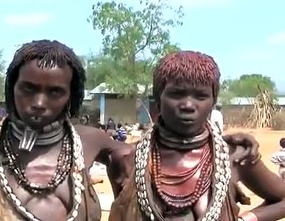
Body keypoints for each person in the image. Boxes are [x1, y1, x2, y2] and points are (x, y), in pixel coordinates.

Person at [0, 41, 260, 221]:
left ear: (73, 96)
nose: (39, 102)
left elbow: (156, 154)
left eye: (55, 92)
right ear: (12, 88)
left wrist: (212, 140)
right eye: (28, 88)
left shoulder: (92, 141)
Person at [108, 51, 285, 221]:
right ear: (158, 98)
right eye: (177, 94)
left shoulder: (234, 156)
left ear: (213, 102)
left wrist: (245, 219)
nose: (188, 105)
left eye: (201, 96)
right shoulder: (127, 159)